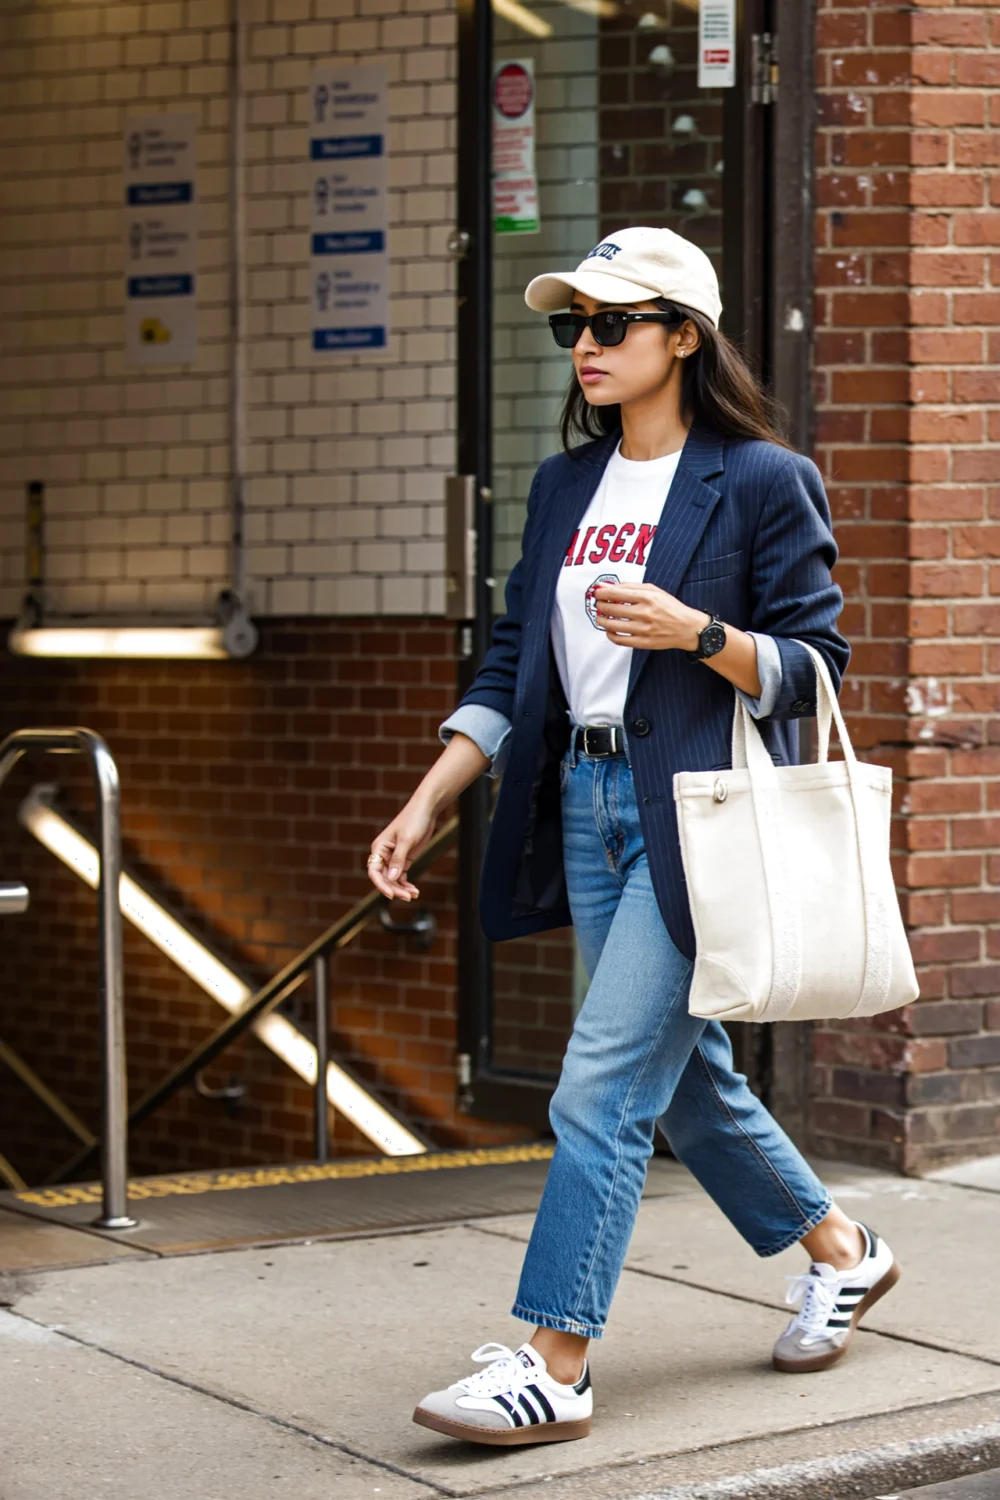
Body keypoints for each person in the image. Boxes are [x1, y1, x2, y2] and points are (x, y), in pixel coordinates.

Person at [366, 226, 901, 1447]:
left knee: (601, 1083)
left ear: (683, 337)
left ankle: (555, 1359)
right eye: (574, 328)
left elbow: (812, 664)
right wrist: (433, 791)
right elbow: (514, 659)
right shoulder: (565, 486)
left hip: (696, 815)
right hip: (586, 805)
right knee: (688, 1082)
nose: (587, 348)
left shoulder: (760, 478)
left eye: (612, 324)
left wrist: (691, 631)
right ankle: (844, 1250)